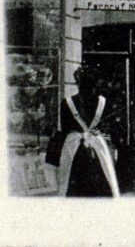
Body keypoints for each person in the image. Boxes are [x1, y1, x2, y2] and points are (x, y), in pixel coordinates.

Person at [46, 65, 120, 197]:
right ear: (94, 85)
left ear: (78, 83)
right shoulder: (103, 102)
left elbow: (65, 129)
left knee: (70, 184)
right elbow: (108, 126)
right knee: (103, 180)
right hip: (97, 148)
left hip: (74, 148)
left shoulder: (66, 103)